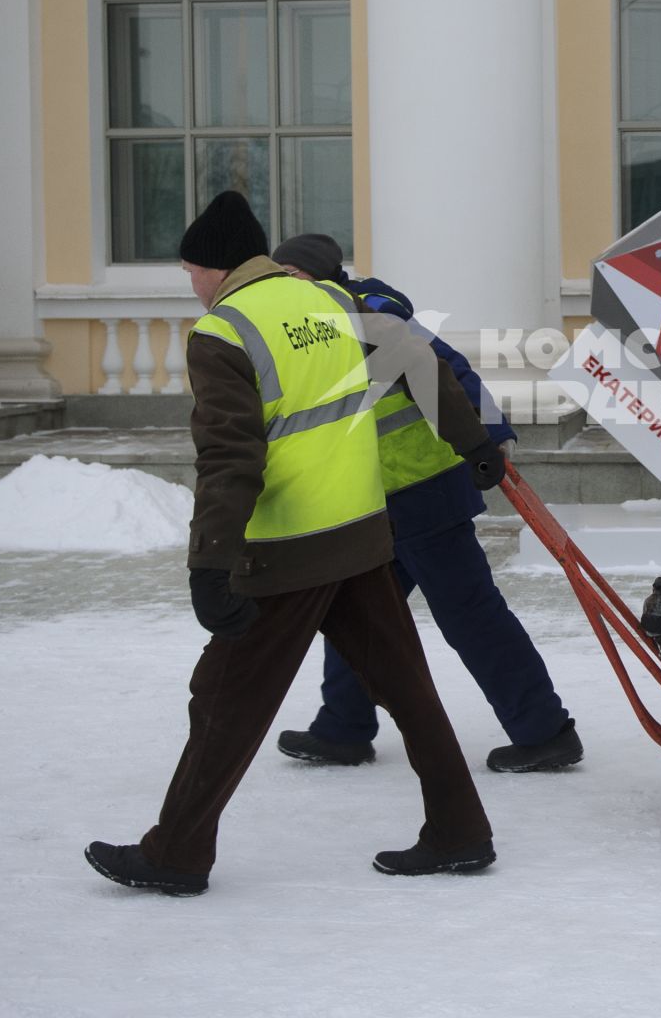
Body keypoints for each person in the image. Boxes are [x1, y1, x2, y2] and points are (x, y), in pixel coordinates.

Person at [84, 192, 506, 896]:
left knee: (221, 698)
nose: (190, 284)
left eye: (191, 271)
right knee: (407, 689)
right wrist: (474, 443)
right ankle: (460, 832)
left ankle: (176, 854)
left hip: (288, 549)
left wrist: (209, 560)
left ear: (215, 269)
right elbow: (420, 365)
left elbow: (228, 458)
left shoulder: (224, 331)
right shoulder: (332, 302)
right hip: (362, 533)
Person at [267, 232, 582, 773]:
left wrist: (486, 439)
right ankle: (342, 728)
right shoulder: (311, 328)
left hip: (425, 491)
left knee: (470, 616)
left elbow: (445, 369)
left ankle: (544, 731)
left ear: (314, 276)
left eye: (288, 277)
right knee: (356, 613)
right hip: (371, 501)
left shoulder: (367, 314)